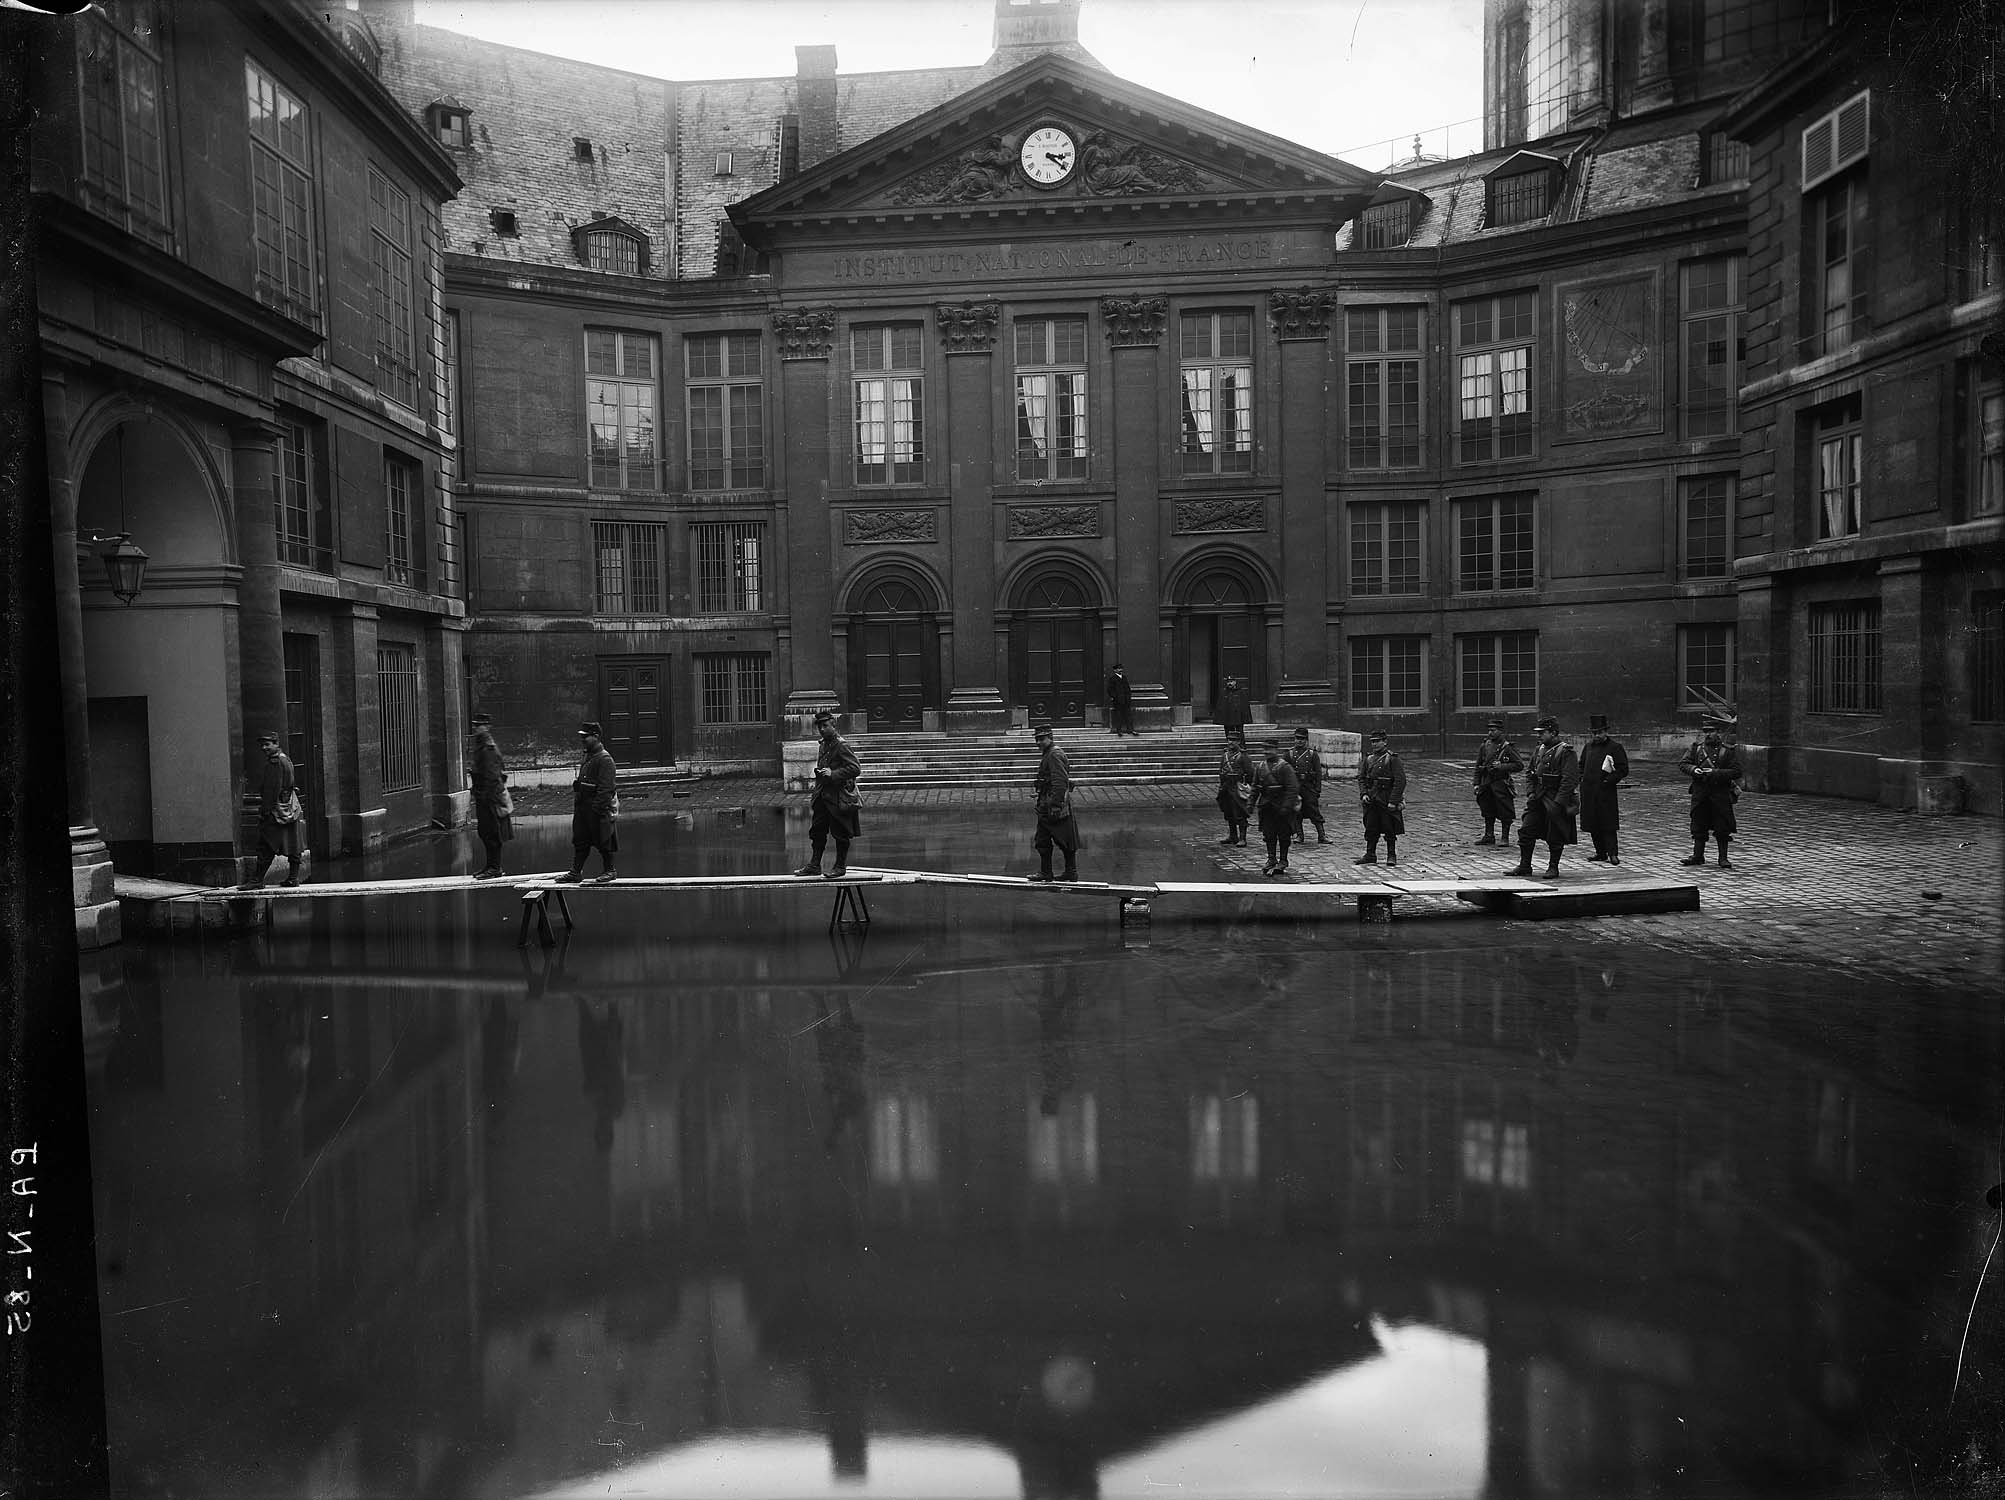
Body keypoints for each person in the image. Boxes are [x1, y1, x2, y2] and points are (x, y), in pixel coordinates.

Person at [795, 709, 862, 878]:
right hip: (823, 796)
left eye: (825, 726)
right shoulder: (824, 744)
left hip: (839, 798)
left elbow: (855, 768)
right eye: (819, 727)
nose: (822, 729)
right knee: (817, 831)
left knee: (840, 833)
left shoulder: (841, 745)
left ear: (834, 726)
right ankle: (814, 865)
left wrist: (834, 774)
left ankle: (840, 867)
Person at [1511, 716, 1580, 880]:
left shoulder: (1566, 752)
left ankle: (1553, 867)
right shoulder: (1539, 749)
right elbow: (1530, 773)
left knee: (1555, 833)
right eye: (1539, 733)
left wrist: (1559, 803)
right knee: (1526, 829)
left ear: (1554, 733)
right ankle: (1525, 865)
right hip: (1538, 796)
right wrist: (1531, 792)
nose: (1539, 736)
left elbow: (1569, 780)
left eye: (1543, 732)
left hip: (1555, 797)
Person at [1679, 710, 1745, 869]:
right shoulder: (1695, 749)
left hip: (1720, 794)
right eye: (1706, 732)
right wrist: (1694, 769)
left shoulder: (1727, 751)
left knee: (1722, 826)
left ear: (1719, 733)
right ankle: (1697, 855)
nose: (1709, 735)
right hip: (1700, 794)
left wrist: (1715, 773)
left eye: (1712, 731)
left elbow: (1737, 771)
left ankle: (1723, 858)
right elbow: (1683, 764)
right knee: (1698, 825)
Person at [557, 721, 619, 885]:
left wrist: (597, 809)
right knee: (581, 841)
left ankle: (610, 870)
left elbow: (606, 788)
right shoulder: (588, 755)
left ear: (596, 737)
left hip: (596, 808)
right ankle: (576, 872)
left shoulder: (605, 759)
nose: (582, 740)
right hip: (583, 807)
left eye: (586, 737)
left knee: (604, 841)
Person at [247, 730, 303, 888]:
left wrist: (265, 812)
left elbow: (272, 790)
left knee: (266, 844)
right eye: (262, 745)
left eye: (267, 744)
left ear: (276, 744)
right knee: (294, 844)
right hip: (290, 808)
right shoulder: (285, 758)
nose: (264, 748)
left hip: (276, 810)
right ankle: (293, 878)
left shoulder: (275, 762)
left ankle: (257, 881)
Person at [1029, 721, 1081, 882]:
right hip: (1047, 803)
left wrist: (1056, 805)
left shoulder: (1054, 754)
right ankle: (1047, 872)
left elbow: (1060, 781)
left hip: (1053, 805)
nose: (1038, 742)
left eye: (1042, 739)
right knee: (1042, 840)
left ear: (1050, 738)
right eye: (1037, 739)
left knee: (1065, 839)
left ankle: (1070, 872)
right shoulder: (1049, 753)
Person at [1578, 713, 1631, 865]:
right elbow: (1581, 765)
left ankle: (1613, 853)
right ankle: (1600, 853)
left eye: (1600, 732)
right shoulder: (1588, 747)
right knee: (1592, 824)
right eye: (1594, 733)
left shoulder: (1615, 747)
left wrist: (1609, 780)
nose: (1597, 736)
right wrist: (1581, 778)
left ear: (1606, 732)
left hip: (1605, 791)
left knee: (1608, 824)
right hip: (1589, 791)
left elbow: (1622, 769)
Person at [468, 712, 513, 879]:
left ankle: (495, 867)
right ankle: (490, 865)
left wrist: (488, 796)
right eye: (475, 725)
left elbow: (492, 775)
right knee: (485, 832)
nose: (476, 728)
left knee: (492, 832)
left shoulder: (488, 747)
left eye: (479, 725)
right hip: (483, 795)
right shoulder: (481, 745)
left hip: (490, 796)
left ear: (487, 727)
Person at [1353, 729, 1406, 867]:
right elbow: (1362, 778)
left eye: (1378, 741)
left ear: (1385, 742)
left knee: (1389, 828)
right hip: (1372, 798)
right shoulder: (1369, 759)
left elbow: (1400, 781)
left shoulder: (1393, 759)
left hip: (1386, 798)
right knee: (1371, 827)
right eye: (1373, 742)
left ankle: (1391, 854)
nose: (1375, 744)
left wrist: (1393, 801)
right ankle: (1370, 854)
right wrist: (1364, 794)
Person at [1252, 737, 1301, 877]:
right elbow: (1255, 787)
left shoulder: (1284, 767)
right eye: (1265, 749)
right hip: (1266, 806)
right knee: (1269, 834)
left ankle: (1283, 860)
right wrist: (1250, 804)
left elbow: (1293, 788)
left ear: (1276, 750)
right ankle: (1271, 858)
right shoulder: (1260, 767)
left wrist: (1286, 807)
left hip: (1282, 807)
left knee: (1284, 835)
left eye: (1270, 749)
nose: (1267, 752)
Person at [1472, 717, 1522, 846]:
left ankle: (1504, 837)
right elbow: (1478, 766)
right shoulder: (1485, 746)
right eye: (1489, 730)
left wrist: (1502, 766)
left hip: (1501, 784)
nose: (1490, 733)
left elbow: (1519, 765)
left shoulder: (1507, 747)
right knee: (1487, 809)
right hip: (1486, 783)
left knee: (1505, 811)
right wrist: (1476, 783)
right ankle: (1489, 835)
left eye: (1493, 730)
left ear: (1500, 731)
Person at [1286, 727, 1327, 844]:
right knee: (1297, 812)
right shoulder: (1289, 754)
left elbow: (1318, 773)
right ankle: (1299, 835)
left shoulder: (1312, 754)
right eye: (1297, 738)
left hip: (1309, 787)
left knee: (1314, 811)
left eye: (1302, 739)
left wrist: (1317, 790)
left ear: (1306, 740)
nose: (1300, 741)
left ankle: (1322, 835)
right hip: (1296, 788)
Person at [1215, 728, 1253, 846]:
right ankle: (1233, 836)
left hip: (1237, 787)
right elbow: (1221, 770)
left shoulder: (1243, 756)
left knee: (1240, 812)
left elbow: (1250, 773)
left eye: (1234, 740)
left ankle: (1242, 838)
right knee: (1228, 812)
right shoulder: (1225, 755)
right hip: (1226, 787)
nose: (1231, 742)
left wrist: (1245, 784)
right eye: (1229, 740)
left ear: (1239, 742)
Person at [1106, 662, 1135, 735]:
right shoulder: (1112, 679)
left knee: (1128, 715)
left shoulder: (1124, 677)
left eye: (1121, 668)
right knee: (1119, 715)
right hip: (1118, 701)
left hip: (1126, 700)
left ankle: (1130, 730)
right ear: (1115, 670)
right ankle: (1119, 731)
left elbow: (1128, 689)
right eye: (1118, 669)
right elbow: (1110, 690)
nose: (1120, 670)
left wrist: (1128, 697)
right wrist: (1116, 697)